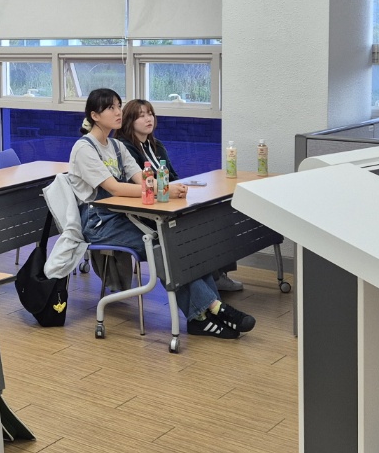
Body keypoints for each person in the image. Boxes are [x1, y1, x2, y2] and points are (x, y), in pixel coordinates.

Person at [67, 89, 253, 339]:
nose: (118, 112)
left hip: (123, 216)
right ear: (94, 115)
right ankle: (212, 310)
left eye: (119, 106)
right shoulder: (84, 149)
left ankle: (204, 314)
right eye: (111, 108)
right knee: (163, 248)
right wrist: (161, 190)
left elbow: (142, 179)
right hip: (99, 223)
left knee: (178, 240)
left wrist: (166, 188)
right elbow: (115, 188)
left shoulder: (116, 146)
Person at [116, 98, 242, 294]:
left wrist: (180, 189)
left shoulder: (156, 145)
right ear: (129, 121)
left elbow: (173, 176)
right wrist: (169, 191)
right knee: (199, 223)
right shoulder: (126, 148)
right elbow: (138, 184)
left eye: (150, 114)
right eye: (141, 116)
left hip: (169, 201)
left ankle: (218, 275)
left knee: (216, 214)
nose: (148, 119)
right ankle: (211, 279)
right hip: (148, 207)